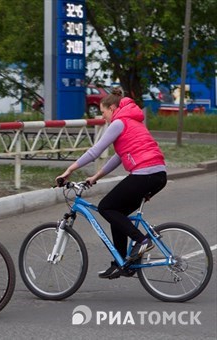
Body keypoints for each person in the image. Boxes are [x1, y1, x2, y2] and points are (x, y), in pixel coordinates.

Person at [56, 87, 167, 279]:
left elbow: (95, 152)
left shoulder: (118, 123)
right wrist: (96, 177)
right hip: (157, 175)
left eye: (103, 112)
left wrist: (70, 170)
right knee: (118, 213)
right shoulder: (132, 121)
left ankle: (141, 241)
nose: (103, 117)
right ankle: (122, 263)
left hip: (144, 174)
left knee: (106, 207)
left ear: (113, 108)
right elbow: (118, 157)